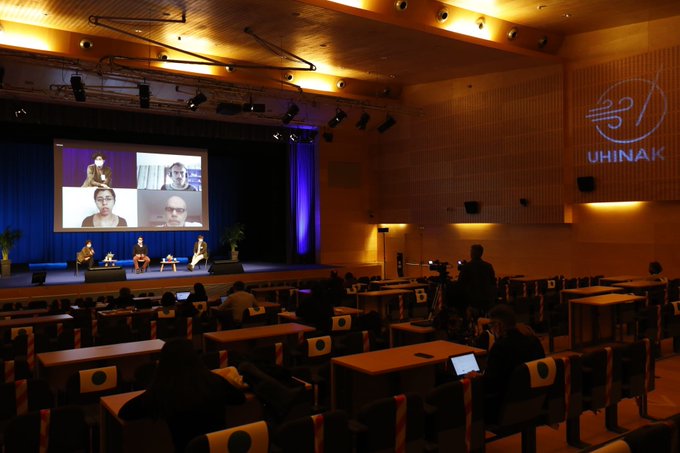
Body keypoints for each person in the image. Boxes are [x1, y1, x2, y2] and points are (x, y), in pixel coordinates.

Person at [118, 338, 246, 453]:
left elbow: (125, 412)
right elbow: (240, 399)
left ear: (163, 364)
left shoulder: (162, 391)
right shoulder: (214, 380)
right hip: (220, 449)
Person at [474, 304, 544, 423]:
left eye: (491, 326)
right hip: (536, 400)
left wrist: (476, 379)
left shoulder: (500, 348)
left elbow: (490, 385)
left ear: (499, 326)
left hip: (504, 407)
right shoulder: (533, 340)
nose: (491, 330)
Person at [457, 244, 496, 317]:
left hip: (472, 300)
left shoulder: (467, 267)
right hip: (486, 299)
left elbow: (461, 283)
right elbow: (493, 282)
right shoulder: (488, 266)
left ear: (472, 253)